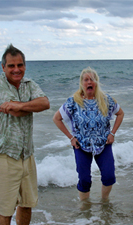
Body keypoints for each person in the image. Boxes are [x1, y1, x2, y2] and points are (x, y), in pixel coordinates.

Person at [0, 44, 50, 225]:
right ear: (3, 67)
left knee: (27, 204)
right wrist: (27, 107)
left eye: (20, 65)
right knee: (5, 211)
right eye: (11, 65)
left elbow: (45, 103)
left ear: (25, 65)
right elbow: (15, 111)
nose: (17, 69)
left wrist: (20, 105)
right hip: (4, 155)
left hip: (26, 154)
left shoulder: (29, 84)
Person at [53, 67, 124, 201]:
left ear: (96, 83)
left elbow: (120, 114)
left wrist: (112, 133)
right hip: (81, 144)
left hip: (103, 142)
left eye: (92, 79)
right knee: (85, 179)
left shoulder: (106, 100)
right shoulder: (73, 102)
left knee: (109, 176)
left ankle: (104, 201)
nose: (89, 82)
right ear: (82, 83)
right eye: (86, 80)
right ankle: (85, 208)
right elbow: (56, 118)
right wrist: (71, 137)